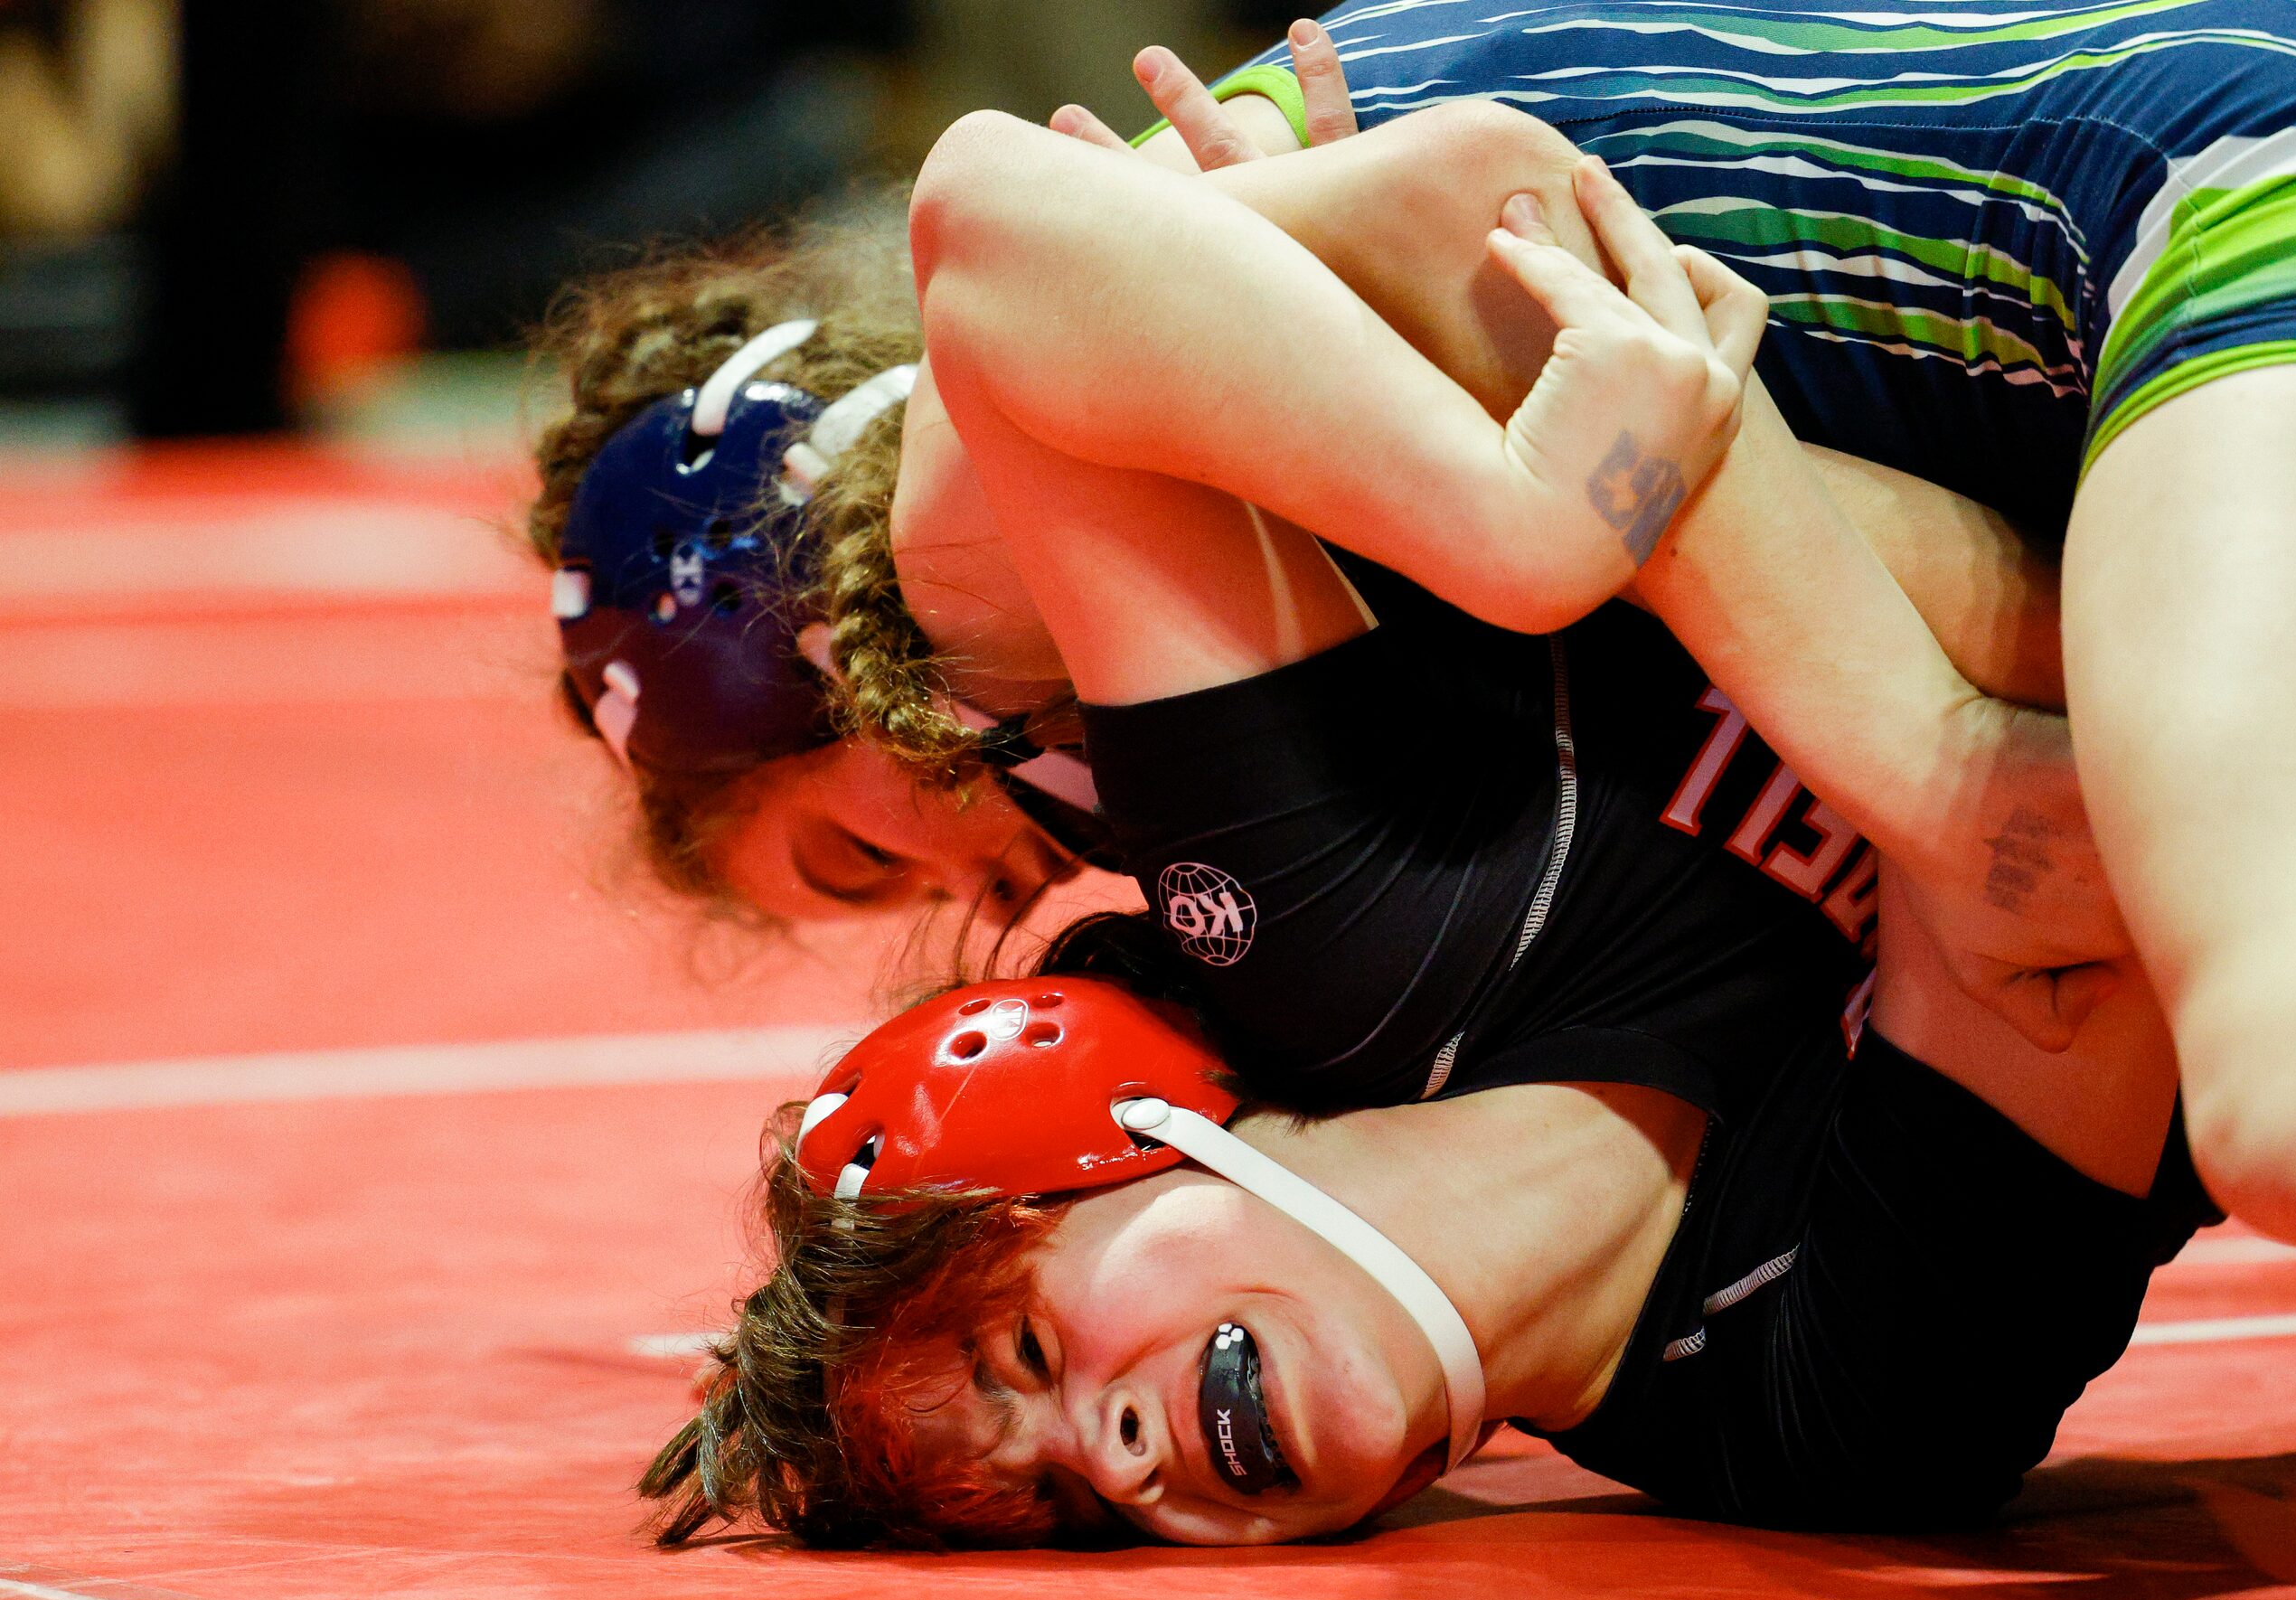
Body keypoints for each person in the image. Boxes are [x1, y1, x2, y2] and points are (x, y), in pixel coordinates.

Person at [635, 116, 2211, 1550]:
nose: (1115, 1460)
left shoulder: (1313, 926)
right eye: (1060, 1508)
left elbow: (1003, 229)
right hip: (2248, 471)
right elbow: (2179, 776)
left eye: (1033, 1355)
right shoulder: (1836, 1415)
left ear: (1128, 1134)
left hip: (2004, 197)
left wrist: (1531, 533)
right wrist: (1689, 524)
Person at [1120, 0, 2296, 1316]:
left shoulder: (1123, 356)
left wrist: (1928, 766)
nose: (1018, 884)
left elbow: (1014, 217)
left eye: (898, 862)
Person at [527, 22, 2065, 933]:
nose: (988, 902)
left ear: (808, 621)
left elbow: (1480, 179)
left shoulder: (1001, 426)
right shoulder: (1112, 558)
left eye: (861, 857)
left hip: (1988, 214)